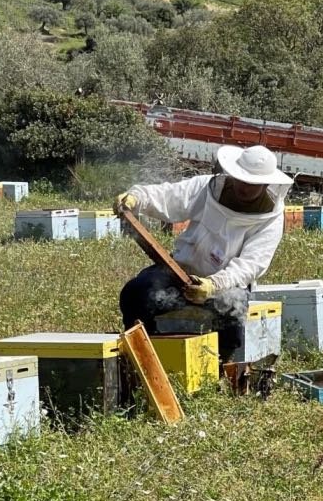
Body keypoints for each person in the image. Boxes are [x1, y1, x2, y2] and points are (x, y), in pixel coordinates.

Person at [115, 144, 293, 362]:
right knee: (136, 292)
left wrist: (213, 285)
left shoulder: (271, 218)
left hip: (225, 285)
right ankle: (143, 355)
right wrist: (137, 198)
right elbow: (170, 196)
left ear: (265, 184)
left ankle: (218, 370)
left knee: (232, 323)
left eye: (251, 184)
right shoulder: (207, 187)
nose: (243, 187)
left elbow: (252, 263)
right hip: (179, 269)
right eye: (240, 179)